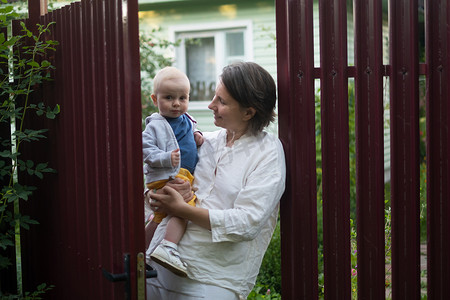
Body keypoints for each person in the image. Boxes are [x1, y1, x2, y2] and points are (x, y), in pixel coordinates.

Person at [146, 61, 286, 299]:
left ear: (248, 112)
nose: (211, 105)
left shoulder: (268, 152)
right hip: (157, 265)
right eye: (214, 96)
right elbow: (155, 174)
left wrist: (182, 209)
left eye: (221, 101)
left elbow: (247, 222)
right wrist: (156, 195)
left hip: (212, 279)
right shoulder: (204, 141)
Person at [142, 66, 203, 277]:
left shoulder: (186, 119)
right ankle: (168, 247)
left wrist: (198, 135)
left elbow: (189, 131)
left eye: (182, 97)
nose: (177, 103)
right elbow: (146, 150)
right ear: (154, 99)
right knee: (185, 207)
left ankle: (141, 253)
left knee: (159, 215)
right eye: (169, 97)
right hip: (166, 175)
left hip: (180, 175)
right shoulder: (155, 125)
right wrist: (166, 158)